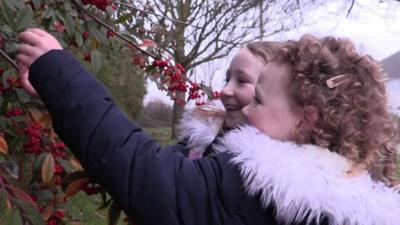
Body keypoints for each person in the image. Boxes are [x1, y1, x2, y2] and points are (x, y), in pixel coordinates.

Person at [17, 28, 400, 225]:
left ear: (308, 118)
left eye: (260, 99)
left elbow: (142, 170)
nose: (245, 106)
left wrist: (58, 73)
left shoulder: (259, 191)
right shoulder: (341, 196)